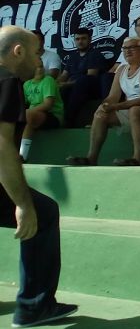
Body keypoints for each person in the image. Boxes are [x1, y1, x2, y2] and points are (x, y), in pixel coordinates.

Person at [0, 26, 77, 327]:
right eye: (35, 53)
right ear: (18, 52)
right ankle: (34, 307)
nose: (39, 60)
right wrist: (23, 204)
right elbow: (2, 146)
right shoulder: (6, 82)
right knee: (42, 212)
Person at [66, 36, 140, 166]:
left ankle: (138, 159)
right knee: (101, 114)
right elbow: (112, 96)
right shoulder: (122, 69)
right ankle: (91, 158)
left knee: (135, 110)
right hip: (138, 112)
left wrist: (116, 106)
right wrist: (104, 106)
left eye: (132, 48)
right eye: (124, 48)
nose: (127, 51)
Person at [56, 27, 105, 126]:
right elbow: (64, 75)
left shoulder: (94, 54)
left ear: (90, 39)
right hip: (72, 85)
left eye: (83, 38)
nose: (80, 41)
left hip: (89, 87)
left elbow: (91, 76)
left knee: (82, 81)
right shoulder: (73, 56)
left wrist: (66, 84)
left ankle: (68, 121)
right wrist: (54, 83)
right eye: (77, 39)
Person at [19, 59, 64, 162]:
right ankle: (17, 155)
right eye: (36, 67)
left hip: (53, 116)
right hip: (33, 116)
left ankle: (22, 156)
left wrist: (27, 113)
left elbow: (48, 105)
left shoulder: (48, 80)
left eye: (41, 66)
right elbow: (22, 104)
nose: (40, 70)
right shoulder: (27, 84)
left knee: (27, 115)